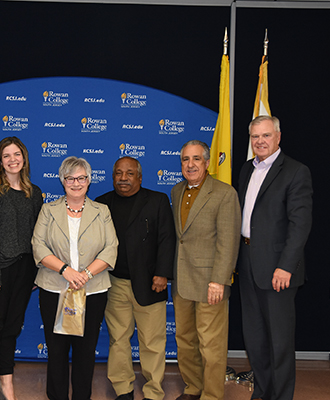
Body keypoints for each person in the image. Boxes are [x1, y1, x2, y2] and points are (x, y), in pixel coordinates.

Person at [237, 116, 312, 400]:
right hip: (247, 264)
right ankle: (262, 393)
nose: (260, 141)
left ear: (278, 137)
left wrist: (285, 266)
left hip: (278, 270)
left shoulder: (295, 171)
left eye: (266, 136)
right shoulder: (246, 169)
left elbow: (300, 225)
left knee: (279, 342)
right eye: (255, 137)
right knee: (255, 340)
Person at [32, 156, 118, 400]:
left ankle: (82, 396)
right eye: (70, 178)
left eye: (81, 178)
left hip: (93, 290)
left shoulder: (102, 212)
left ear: (89, 181)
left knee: (85, 350)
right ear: (62, 180)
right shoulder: (48, 210)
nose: (76, 183)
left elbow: (111, 248)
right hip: (54, 289)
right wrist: (65, 271)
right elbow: (38, 246)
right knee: (56, 350)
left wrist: (86, 274)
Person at [96, 157, 175, 400]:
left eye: (129, 173)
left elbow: (166, 239)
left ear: (139, 177)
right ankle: (123, 389)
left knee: (152, 341)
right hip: (114, 284)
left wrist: (162, 274)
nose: (123, 178)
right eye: (118, 173)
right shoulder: (102, 204)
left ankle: (153, 391)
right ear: (113, 177)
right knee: (118, 339)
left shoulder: (158, 200)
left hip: (151, 282)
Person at [170, 140, 241, 400]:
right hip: (182, 281)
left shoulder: (224, 193)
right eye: (185, 160)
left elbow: (228, 240)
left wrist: (219, 281)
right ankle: (193, 388)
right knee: (185, 341)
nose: (190, 165)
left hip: (210, 283)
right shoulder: (176, 191)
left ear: (207, 162)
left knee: (211, 346)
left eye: (196, 159)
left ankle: (211, 395)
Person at [0, 137, 43, 400]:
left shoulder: (33, 192)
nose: (12, 159)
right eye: (6, 155)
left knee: (13, 326)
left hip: (24, 269)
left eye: (17, 154)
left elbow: (38, 236)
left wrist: (36, 272)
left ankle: (7, 379)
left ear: (24, 158)